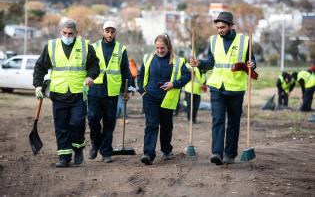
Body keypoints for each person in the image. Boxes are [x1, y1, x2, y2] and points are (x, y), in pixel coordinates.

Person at [190, 11, 257, 165]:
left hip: (235, 88)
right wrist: (199, 63)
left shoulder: (244, 41)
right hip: (216, 86)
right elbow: (211, 63)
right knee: (218, 119)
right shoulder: (213, 41)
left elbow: (252, 61)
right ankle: (217, 153)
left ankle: (230, 154)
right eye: (218, 27)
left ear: (230, 26)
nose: (219, 30)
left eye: (223, 27)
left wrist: (252, 64)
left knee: (233, 122)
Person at [33, 19, 100, 167]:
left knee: (76, 123)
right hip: (59, 92)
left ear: (76, 33)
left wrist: (90, 76)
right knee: (61, 125)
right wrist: (38, 85)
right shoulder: (51, 46)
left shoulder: (85, 46)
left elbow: (95, 65)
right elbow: (39, 67)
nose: (67, 36)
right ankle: (64, 157)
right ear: (60, 32)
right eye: (65, 33)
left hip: (78, 93)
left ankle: (78, 149)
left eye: (70, 33)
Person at [138, 33, 190, 165]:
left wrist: (174, 84)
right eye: (157, 48)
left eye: (162, 48)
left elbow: (187, 76)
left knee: (166, 125)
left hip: (168, 98)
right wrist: (142, 92)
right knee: (151, 124)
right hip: (150, 96)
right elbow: (140, 75)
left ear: (168, 47)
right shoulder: (148, 58)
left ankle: (166, 150)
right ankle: (148, 154)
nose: (160, 51)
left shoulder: (178, 61)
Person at [87, 20, 131, 163]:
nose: (110, 34)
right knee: (93, 119)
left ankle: (106, 152)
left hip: (112, 91)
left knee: (109, 122)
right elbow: (87, 67)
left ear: (115, 32)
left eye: (112, 31)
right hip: (95, 88)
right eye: (107, 31)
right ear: (102, 31)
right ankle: (95, 144)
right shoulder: (93, 47)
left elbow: (125, 71)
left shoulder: (121, 49)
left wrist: (126, 90)